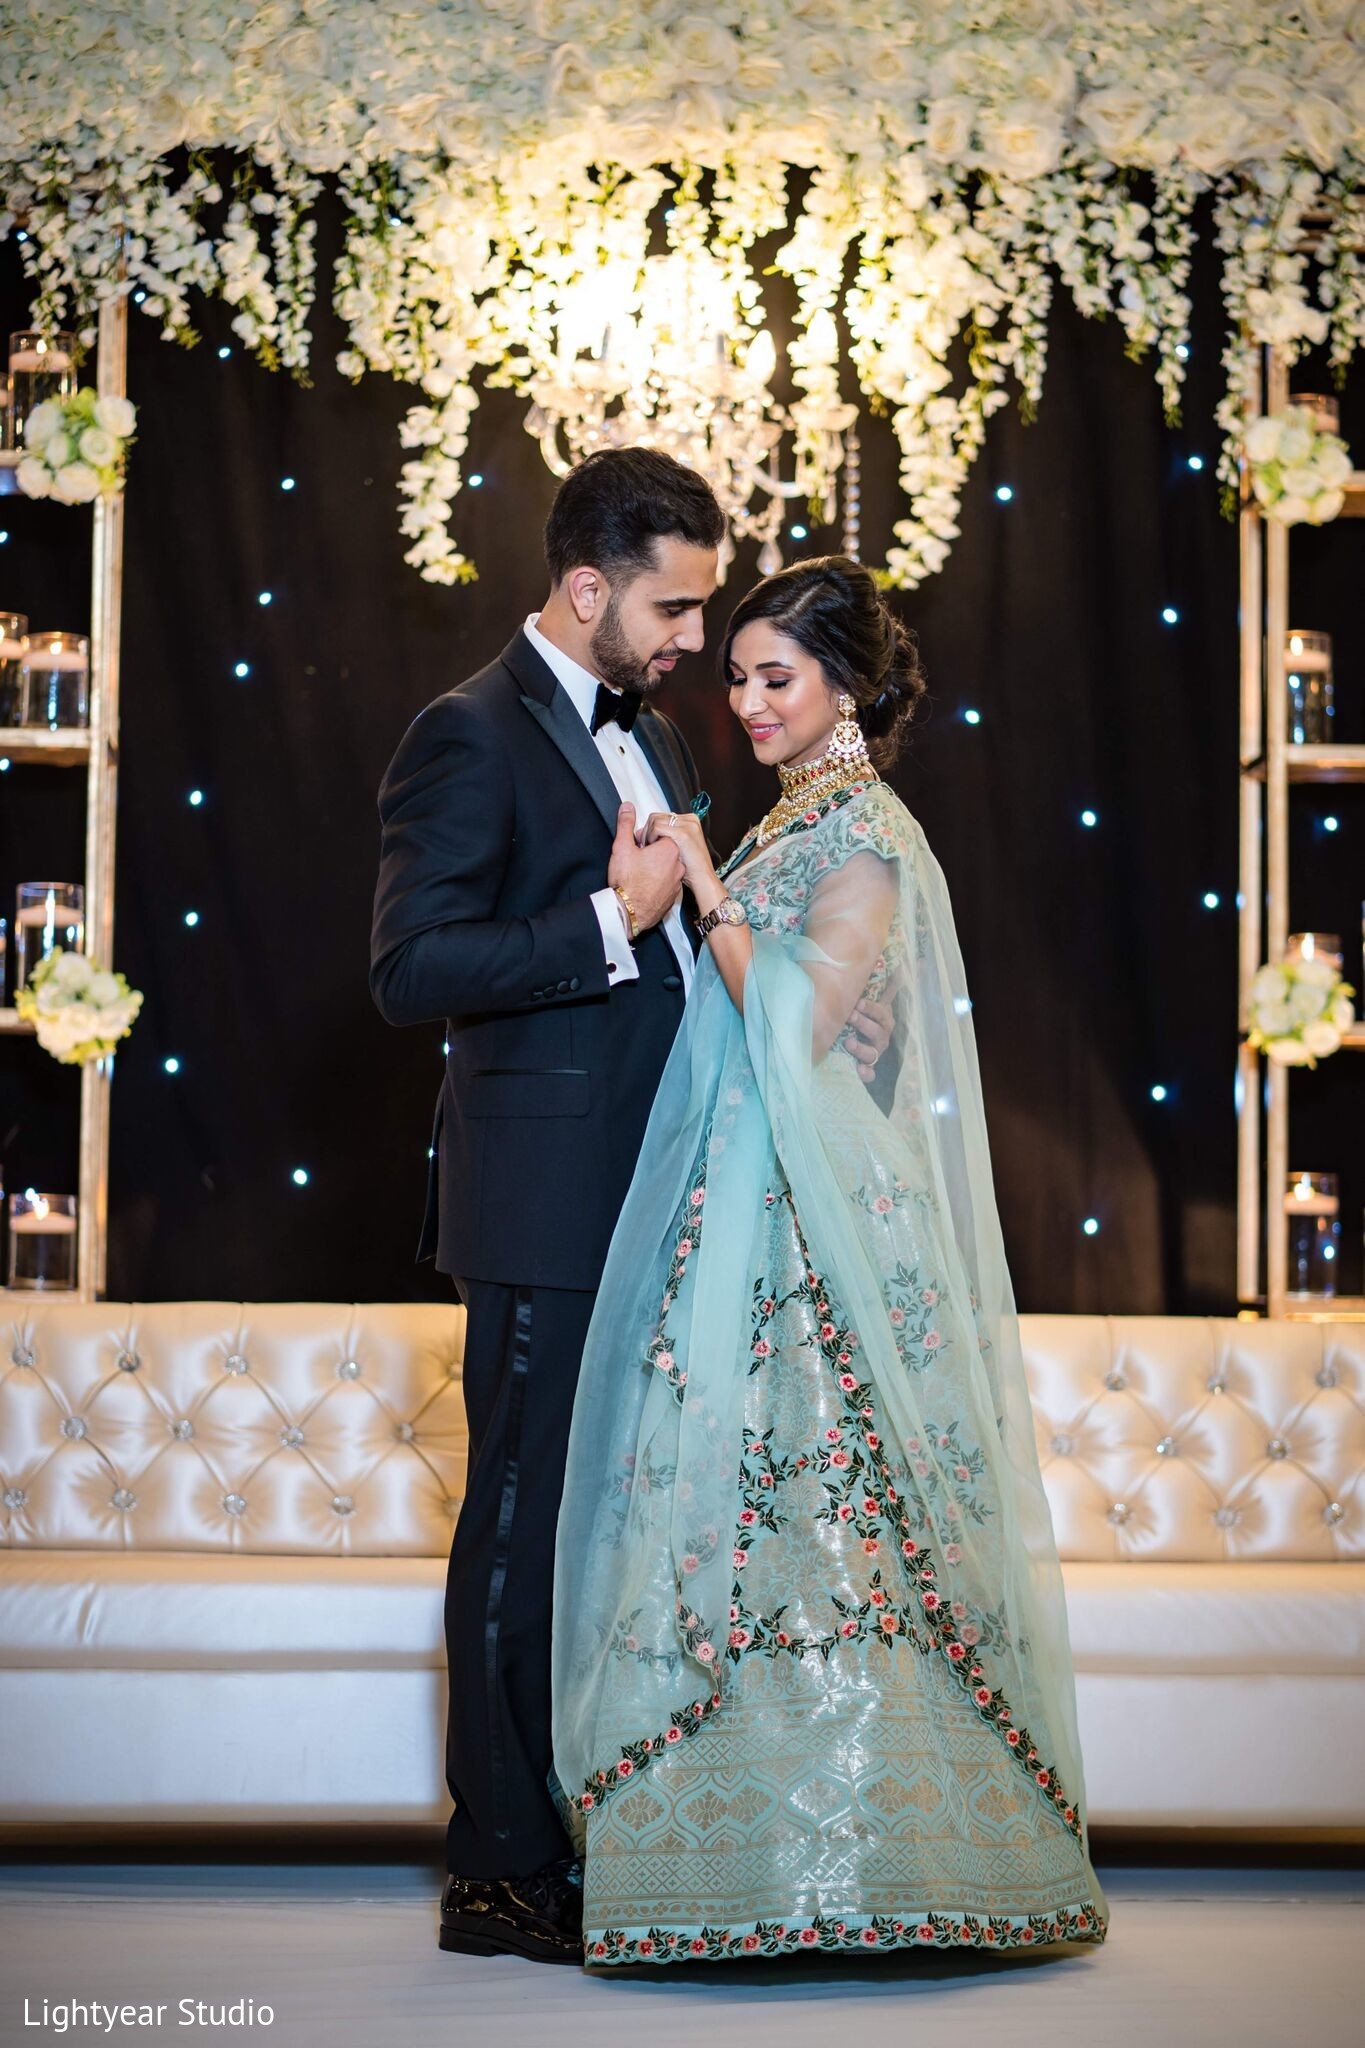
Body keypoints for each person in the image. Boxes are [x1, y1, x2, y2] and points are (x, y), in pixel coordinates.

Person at [369, 452, 890, 1964]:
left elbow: (686, 969)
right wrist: (611, 918)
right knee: (521, 1531)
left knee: (614, 1537)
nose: (693, 642)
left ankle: (596, 1831)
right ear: (587, 587)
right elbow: (410, 969)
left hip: (662, 1195)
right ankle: (495, 1870)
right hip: (542, 1202)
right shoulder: (464, 732)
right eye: (672, 609)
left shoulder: (653, 733)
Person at [551, 556, 1111, 1965]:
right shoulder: (798, 817)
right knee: (736, 1496)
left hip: (809, 1216)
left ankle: (871, 1862)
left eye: (776, 678)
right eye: (737, 676)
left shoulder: (862, 833)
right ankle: (722, 1864)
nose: (746, 702)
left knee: (827, 1507)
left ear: (845, 688)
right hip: (750, 1191)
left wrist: (702, 890)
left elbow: (796, 1033)